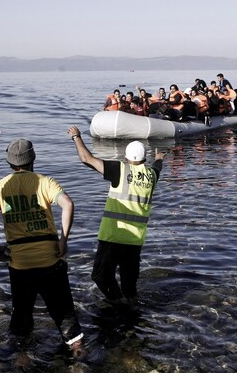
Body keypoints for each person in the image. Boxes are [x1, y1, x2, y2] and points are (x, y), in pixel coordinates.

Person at [0, 139, 83, 351]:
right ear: (33, 159)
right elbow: (68, 204)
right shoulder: (45, 181)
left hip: (20, 265)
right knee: (65, 315)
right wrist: (63, 239)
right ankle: (78, 355)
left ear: (9, 161)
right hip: (51, 259)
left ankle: (22, 359)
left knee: (22, 317)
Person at [66, 126, 164, 309]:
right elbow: (157, 167)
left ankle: (118, 303)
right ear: (144, 159)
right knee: (129, 284)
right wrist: (159, 159)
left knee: (100, 276)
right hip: (135, 240)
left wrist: (76, 137)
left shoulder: (120, 169)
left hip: (114, 236)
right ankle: (131, 313)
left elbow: (86, 159)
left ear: (126, 158)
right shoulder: (151, 176)